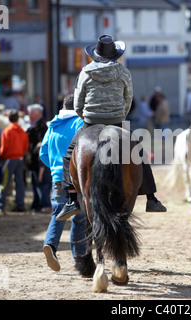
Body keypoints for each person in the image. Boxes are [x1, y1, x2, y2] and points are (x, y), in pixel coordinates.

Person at [56, 34, 166, 221]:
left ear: (96, 54)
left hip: (90, 121)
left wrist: (86, 118)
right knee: (138, 152)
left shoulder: (85, 72)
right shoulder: (124, 72)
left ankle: (71, 200)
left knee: (69, 154)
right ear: (115, 54)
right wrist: (119, 116)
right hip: (116, 120)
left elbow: (78, 103)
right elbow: (128, 99)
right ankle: (151, 198)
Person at [39, 94, 91, 274]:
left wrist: (55, 168)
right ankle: (79, 256)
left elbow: (43, 153)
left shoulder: (52, 126)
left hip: (57, 177)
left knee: (59, 211)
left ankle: (50, 245)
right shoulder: (79, 123)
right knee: (80, 216)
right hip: (75, 177)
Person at [0, 110, 29, 214]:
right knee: (19, 182)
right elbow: (25, 146)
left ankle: (0, 205)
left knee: (5, 181)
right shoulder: (22, 131)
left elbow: (4, 147)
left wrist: (2, 156)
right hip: (20, 158)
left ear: (9, 119)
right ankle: (20, 204)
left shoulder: (7, 131)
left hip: (10, 159)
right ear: (18, 119)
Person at [25, 104, 51, 212]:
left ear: (38, 114)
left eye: (31, 113)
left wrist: (37, 151)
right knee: (35, 184)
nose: (29, 115)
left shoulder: (42, 126)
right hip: (33, 161)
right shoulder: (32, 125)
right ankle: (36, 204)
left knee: (42, 184)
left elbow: (42, 145)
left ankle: (44, 205)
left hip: (39, 161)